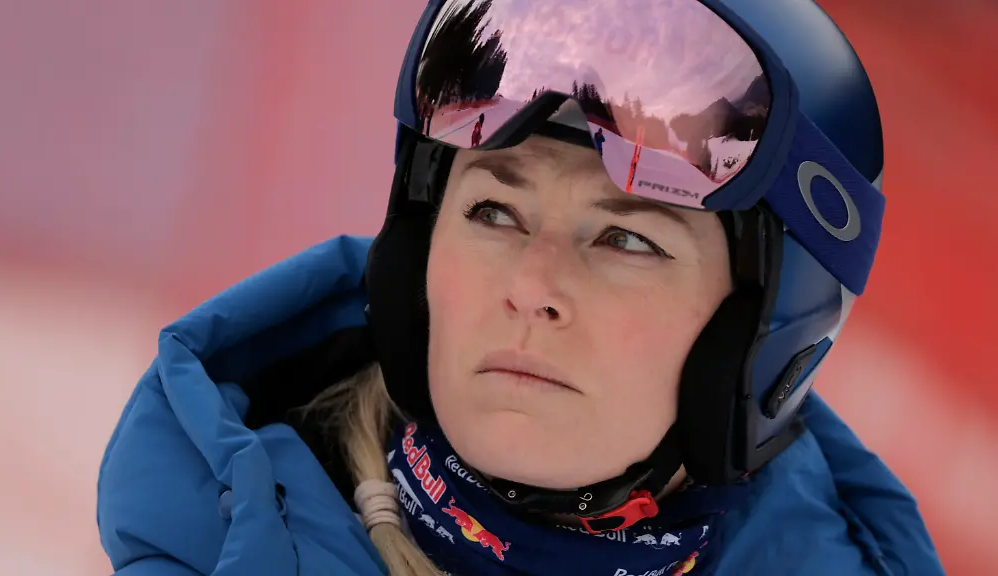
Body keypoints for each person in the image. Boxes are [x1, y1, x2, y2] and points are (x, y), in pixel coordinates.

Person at [97, 1, 945, 575]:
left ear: (765, 333)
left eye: (626, 239)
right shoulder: (209, 540)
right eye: (495, 212)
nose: (533, 286)